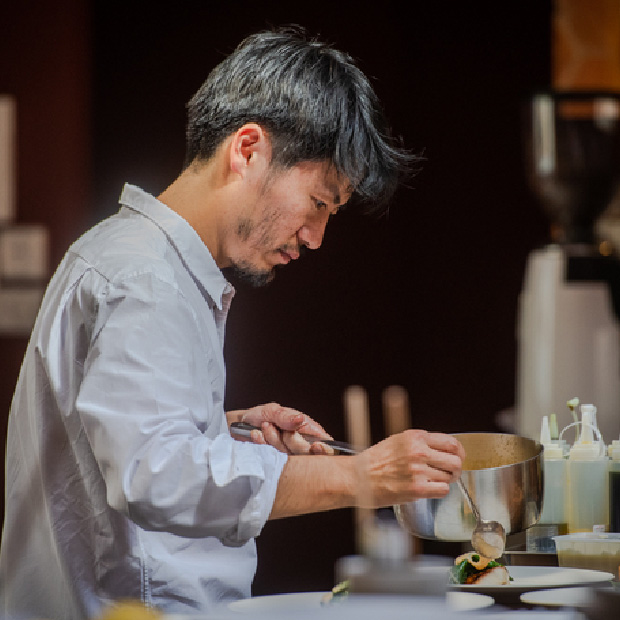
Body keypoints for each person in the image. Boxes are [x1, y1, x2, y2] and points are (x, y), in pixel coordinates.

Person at [0, 26, 465, 619]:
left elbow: (118, 441)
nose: (316, 238)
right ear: (247, 148)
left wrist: (224, 430)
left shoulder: (139, 258)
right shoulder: (146, 278)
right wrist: (361, 476)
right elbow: (156, 476)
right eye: (319, 203)